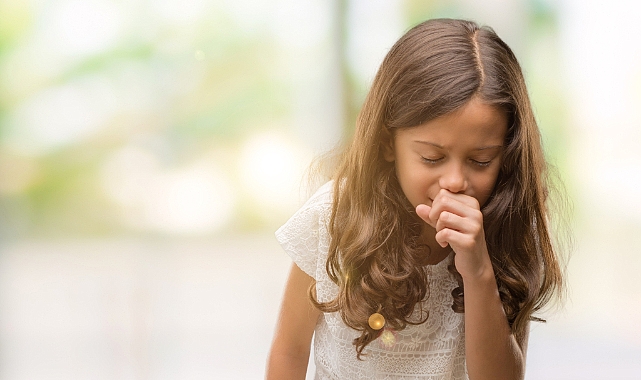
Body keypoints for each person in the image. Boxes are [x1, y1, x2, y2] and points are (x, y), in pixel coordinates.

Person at [266, 18, 565, 380]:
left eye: (481, 160)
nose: (455, 182)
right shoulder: (333, 218)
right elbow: (289, 351)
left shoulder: (507, 224)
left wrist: (479, 270)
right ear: (388, 143)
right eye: (431, 158)